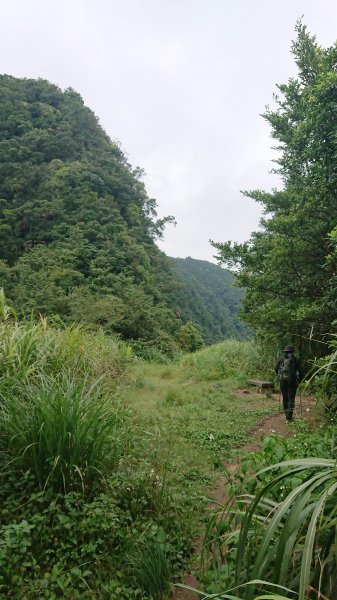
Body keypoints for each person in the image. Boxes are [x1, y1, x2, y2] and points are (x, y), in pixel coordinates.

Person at [275, 345, 301, 422]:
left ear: (285, 352)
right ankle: (289, 418)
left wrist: (280, 375)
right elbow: (301, 371)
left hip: (283, 382)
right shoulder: (296, 360)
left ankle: (286, 414)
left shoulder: (281, 359)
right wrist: (299, 380)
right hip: (292, 382)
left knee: (285, 398)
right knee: (291, 399)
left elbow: (276, 369)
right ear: (292, 352)